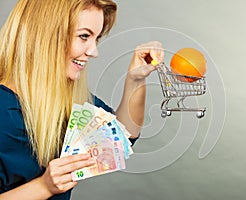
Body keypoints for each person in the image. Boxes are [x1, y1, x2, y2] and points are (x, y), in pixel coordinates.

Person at [0, 0, 164, 199]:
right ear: (45, 35)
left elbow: (122, 137)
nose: (94, 51)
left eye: (97, 38)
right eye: (84, 36)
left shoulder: (63, 99)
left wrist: (136, 79)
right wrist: (44, 187)